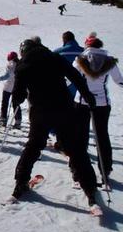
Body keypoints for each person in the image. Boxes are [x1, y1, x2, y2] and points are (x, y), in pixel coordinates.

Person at [10, 38, 100, 210]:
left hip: (40, 111)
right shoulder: (54, 57)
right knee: (75, 148)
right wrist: (87, 95)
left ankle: (20, 182)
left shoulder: (23, 64)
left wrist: (17, 100)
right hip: (63, 108)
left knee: (34, 146)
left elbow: (18, 94)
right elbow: (75, 76)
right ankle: (90, 189)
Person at [74, 36, 123, 181]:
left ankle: (78, 169)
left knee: (81, 135)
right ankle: (105, 169)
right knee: (102, 136)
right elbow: (119, 80)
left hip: (82, 101)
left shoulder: (80, 59)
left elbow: (71, 77)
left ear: (86, 45)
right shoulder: (109, 61)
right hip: (102, 103)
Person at [0, 51, 21, 129]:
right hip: (17, 87)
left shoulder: (10, 64)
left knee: (5, 104)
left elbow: (7, 76)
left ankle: (3, 120)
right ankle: (18, 121)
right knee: (16, 104)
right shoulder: (20, 64)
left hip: (8, 87)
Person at [54, 31, 84, 98]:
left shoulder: (57, 52)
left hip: (63, 89)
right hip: (81, 90)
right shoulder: (84, 52)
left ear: (64, 40)